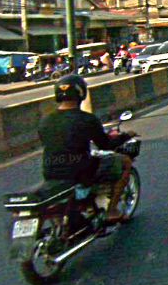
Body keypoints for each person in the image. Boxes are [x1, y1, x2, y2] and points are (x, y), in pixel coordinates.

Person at [38, 74, 132, 223]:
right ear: (81, 93)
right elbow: (105, 145)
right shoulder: (87, 119)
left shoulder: (45, 121)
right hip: (80, 170)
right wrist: (125, 136)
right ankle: (112, 211)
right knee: (125, 161)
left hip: (50, 171)